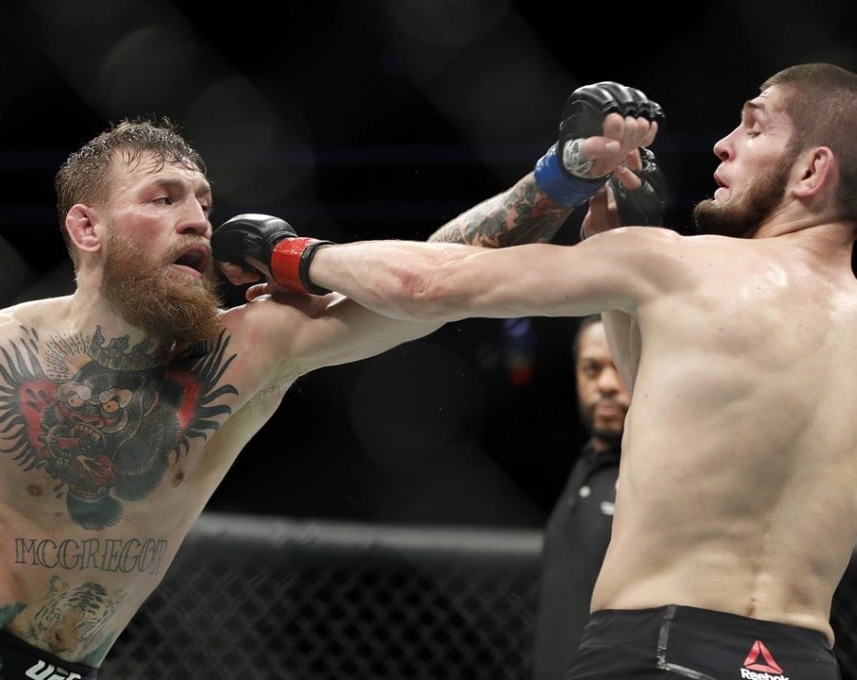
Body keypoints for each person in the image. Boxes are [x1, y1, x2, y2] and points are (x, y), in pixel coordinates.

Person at [0, 81, 662, 678]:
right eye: (161, 198)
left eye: (201, 199)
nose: (196, 216)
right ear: (84, 227)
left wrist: (556, 177)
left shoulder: (247, 349)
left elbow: (432, 282)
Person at [215, 62, 857, 678]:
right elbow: (682, 430)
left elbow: (424, 283)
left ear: (811, 170)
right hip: (801, 661)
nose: (722, 144)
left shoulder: (681, 264)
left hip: (658, 648)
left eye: (753, 125)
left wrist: (290, 253)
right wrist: (619, 286)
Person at [532, 314, 630, 680]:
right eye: (592, 369)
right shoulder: (585, 463)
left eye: (620, 367)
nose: (605, 384)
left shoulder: (659, 478)